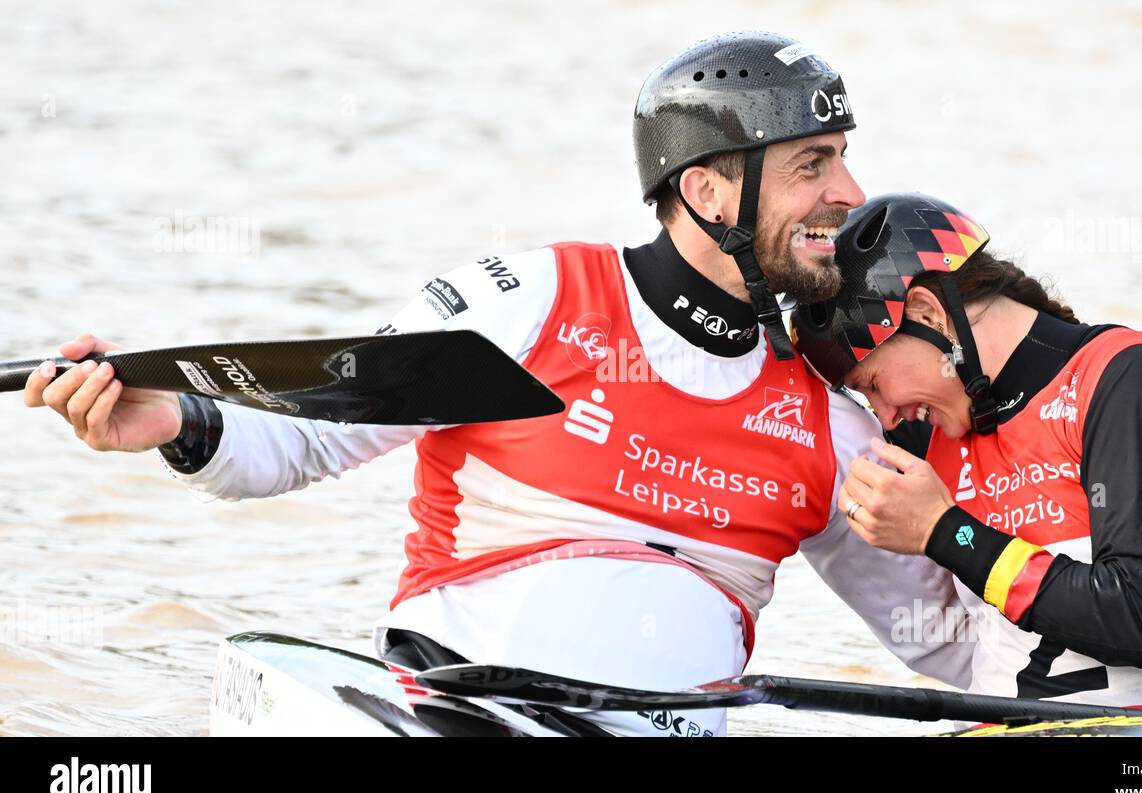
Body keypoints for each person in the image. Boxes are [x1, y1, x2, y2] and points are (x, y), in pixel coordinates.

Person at [24, 35, 972, 736]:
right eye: (815, 163)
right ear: (708, 191)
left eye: (844, 158)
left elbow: (943, 641)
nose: (850, 193)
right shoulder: (528, 301)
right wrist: (175, 420)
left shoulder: (833, 429)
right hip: (456, 709)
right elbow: (308, 437)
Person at [792, 192, 1142, 722]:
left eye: (872, 383)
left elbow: (1137, 621)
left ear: (927, 314)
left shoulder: (1129, 382)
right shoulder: (928, 438)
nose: (886, 416)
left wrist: (947, 533)